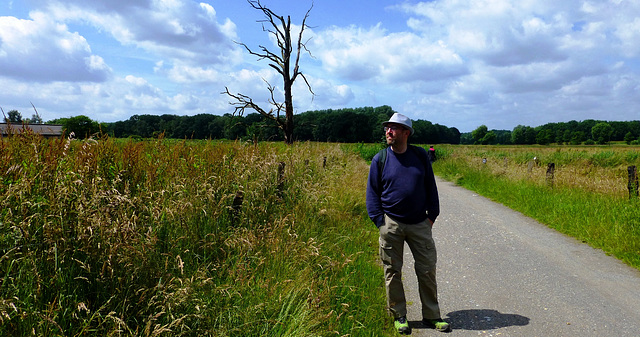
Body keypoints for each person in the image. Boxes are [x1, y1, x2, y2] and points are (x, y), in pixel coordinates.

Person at [366, 113, 450, 334]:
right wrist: (380, 222)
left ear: (406, 133)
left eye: (394, 128)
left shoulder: (420, 156)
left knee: (427, 269)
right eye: (387, 128)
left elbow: (431, 188)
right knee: (392, 271)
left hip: (420, 223)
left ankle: (432, 316)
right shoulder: (380, 159)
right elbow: (372, 194)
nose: (388, 132)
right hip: (391, 224)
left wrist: (431, 216)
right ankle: (399, 315)